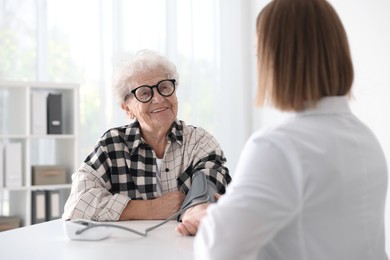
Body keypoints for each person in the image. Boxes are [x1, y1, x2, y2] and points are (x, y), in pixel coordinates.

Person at [192, 0, 388, 259]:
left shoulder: (278, 146)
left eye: (259, 54)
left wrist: (212, 214)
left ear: (278, 60)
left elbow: (215, 251)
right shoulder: (365, 138)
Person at [62, 50, 231, 226]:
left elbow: (209, 191)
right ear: (127, 108)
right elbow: (76, 204)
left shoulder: (200, 141)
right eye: (144, 93)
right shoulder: (111, 145)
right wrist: (150, 208)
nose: (158, 98)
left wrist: (196, 209)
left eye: (164, 87)